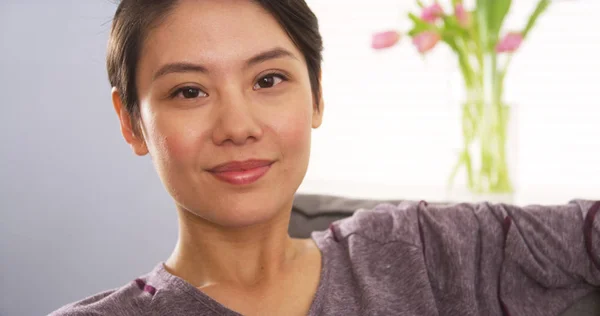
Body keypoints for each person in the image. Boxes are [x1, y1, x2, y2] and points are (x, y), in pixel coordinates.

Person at [51, 0, 599, 315]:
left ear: (316, 95)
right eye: (189, 91)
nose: (238, 126)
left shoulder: (425, 252)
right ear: (131, 122)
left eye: (269, 79)